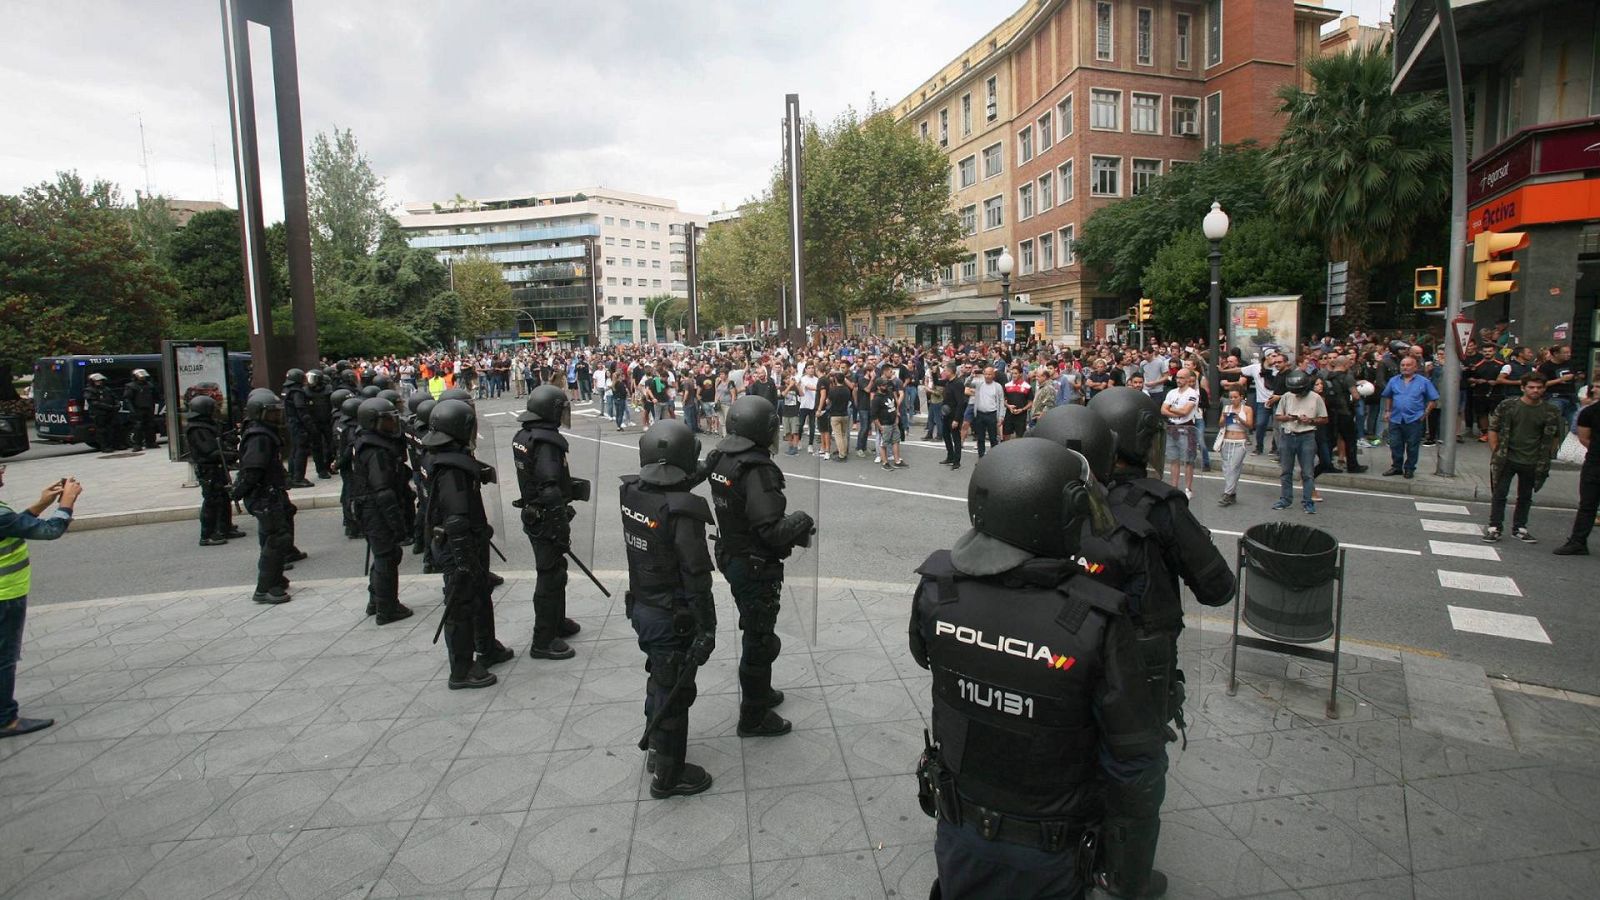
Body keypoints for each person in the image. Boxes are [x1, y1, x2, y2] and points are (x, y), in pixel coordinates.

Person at [908, 439, 1166, 900]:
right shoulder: (1092, 620)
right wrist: (1130, 871)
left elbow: (927, 655)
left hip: (959, 828)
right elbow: (1134, 759)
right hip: (1051, 851)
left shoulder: (938, 590)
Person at [1082, 386, 1236, 897]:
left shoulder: (1069, 491)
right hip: (1140, 658)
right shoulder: (1161, 505)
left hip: (1075, 643)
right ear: (1144, 439)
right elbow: (1217, 587)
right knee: (1136, 765)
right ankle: (1124, 876)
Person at [705, 395, 814, 737]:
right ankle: (753, 716)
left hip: (733, 554)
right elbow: (770, 530)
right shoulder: (757, 469)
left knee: (757, 632)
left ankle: (761, 692)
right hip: (754, 565)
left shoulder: (722, 456)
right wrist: (801, 520)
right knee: (759, 640)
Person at [622, 420, 719, 797]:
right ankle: (669, 774)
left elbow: (662, 490)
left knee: (659, 678)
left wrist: (703, 471)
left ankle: (658, 745)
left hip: (644, 607)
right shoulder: (685, 513)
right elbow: (696, 577)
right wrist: (707, 628)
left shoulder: (631, 493)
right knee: (676, 691)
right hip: (673, 616)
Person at [424, 399, 507, 689]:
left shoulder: (448, 457)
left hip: (472, 538)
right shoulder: (450, 469)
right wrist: (462, 559)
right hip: (460, 543)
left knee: (480, 593)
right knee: (460, 604)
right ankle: (461, 668)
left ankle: (487, 647)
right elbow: (456, 517)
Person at [0, 466, 81, 738]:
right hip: (5, 595)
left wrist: (40, 504)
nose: (2, 470)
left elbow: (11, 527)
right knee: (4, 658)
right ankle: (5, 719)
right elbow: (50, 531)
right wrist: (66, 503)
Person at [512, 386, 586, 660]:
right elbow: (550, 487)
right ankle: (543, 639)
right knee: (550, 575)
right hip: (545, 516)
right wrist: (560, 527)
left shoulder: (524, 434)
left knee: (556, 569)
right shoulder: (546, 442)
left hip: (534, 513)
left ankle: (557, 621)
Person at [349, 397, 416, 624]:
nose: (392, 425)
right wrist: (397, 525)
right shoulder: (376, 450)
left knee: (382, 555)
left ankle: (376, 600)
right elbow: (383, 490)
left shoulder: (369, 441)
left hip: (370, 507)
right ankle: (387, 607)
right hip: (375, 509)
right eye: (387, 421)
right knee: (387, 555)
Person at [231, 389, 300, 605]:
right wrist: (239, 491)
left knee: (273, 536)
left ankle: (275, 577)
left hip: (269, 491)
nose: (276, 417)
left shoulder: (264, 432)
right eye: (271, 413)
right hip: (264, 494)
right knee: (276, 538)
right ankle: (264, 588)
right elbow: (253, 469)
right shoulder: (259, 436)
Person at [1483, 373, 1564, 544]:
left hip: (1534, 460)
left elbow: (1556, 435)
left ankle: (1520, 527)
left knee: (1525, 495)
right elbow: (1493, 427)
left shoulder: (1551, 411)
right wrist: (1496, 450)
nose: (1535, 390)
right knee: (1500, 493)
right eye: (1531, 387)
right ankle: (1494, 526)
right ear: (1523, 388)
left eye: (1539, 387)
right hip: (1507, 457)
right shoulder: (1508, 406)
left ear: (1544, 389)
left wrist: (1549, 454)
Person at [184, 395, 245, 546]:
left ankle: (224, 528)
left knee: (224, 498)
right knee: (212, 501)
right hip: (208, 468)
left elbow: (218, 443)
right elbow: (209, 451)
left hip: (217, 467)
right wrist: (232, 455)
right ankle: (207, 534)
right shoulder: (196, 429)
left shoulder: (207, 425)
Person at [1274, 370, 1327, 514]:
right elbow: (1278, 416)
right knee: (1286, 471)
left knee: (1308, 472)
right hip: (1288, 435)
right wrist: (1289, 418)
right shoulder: (1286, 396)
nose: (1296, 394)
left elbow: (1324, 418)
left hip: (1307, 435)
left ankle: (1308, 502)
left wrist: (1309, 420)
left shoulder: (1316, 398)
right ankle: (1285, 499)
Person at [1554, 391, 1599, 556]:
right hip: (1595, 463)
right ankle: (1578, 542)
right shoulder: (1589, 412)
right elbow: (1584, 438)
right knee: (1587, 504)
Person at [1380, 355, 1438, 479]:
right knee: (1395, 444)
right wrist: (1387, 411)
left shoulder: (1424, 382)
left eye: (1408, 365)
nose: (1405, 368)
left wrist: (1425, 413)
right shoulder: (1394, 380)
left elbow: (1433, 399)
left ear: (1415, 367)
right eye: (1402, 365)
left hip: (1414, 419)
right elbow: (1388, 396)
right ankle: (1396, 467)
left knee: (1412, 446)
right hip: (1396, 418)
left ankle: (1410, 468)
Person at [1160, 369, 1201, 498]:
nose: (1179, 380)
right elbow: (1162, 410)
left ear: (1189, 379)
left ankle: (1188, 488)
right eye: (1177, 377)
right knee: (1174, 459)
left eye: (1182, 378)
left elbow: (1185, 411)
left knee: (1188, 460)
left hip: (1187, 427)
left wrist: (1171, 409)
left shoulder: (1192, 393)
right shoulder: (1171, 392)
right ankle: (1174, 486)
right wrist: (1174, 411)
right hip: (1172, 427)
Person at [1215, 388, 1253, 506]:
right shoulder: (1226, 408)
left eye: (1235, 397)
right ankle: (1232, 493)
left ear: (1241, 397)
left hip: (1239, 441)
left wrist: (1239, 419)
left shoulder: (1247, 409)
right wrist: (1225, 418)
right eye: (1231, 397)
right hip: (1227, 440)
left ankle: (1227, 493)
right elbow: (1220, 424)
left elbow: (1250, 425)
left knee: (1234, 466)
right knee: (1227, 467)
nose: (1233, 399)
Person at [306, 369, 335, 479]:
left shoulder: (328, 390)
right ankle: (321, 469)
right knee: (317, 447)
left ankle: (329, 465)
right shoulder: (306, 391)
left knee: (331, 445)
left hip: (327, 421)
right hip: (314, 423)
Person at [970, 366, 1004, 459]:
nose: (987, 376)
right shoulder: (979, 384)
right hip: (980, 414)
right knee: (980, 438)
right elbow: (967, 384)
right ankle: (981, 456)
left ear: (993, 375)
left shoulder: (997, 386)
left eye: (990, 374)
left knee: (993, 438)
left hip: (992, 414)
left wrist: (1001, 416)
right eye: (986, 374)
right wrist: (971, 375)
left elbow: (1001, 401)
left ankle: (994, 458)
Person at [124, 368, 160, 451]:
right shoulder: (131, 386)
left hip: (149, 408)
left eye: (143, 376)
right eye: (140, 376)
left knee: (150, 426)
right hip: (138, 409)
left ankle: (151, 442)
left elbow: (156, 395)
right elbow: (128, 399)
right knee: (138, 427)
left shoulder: (149, 385)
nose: (142, 377)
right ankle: (137, 445)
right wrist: (132, 410)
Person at [85, 372, 122, 452]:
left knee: (113, 429)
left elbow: (114, 397)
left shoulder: (106, 389)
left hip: (110, 413)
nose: (99, 382)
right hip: (99, 414)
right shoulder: (89, 390)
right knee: (102, 431)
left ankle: (116, 445)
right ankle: (104, 447)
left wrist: (117, 404)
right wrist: (109, 407)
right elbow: (94, 403)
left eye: (100, 380)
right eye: (97, 381)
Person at [875, 375, 906, 470]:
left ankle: (897, 461)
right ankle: (885, 463)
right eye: (883, 385)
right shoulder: (876, 399)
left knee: (896, 441)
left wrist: (896, 416)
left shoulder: (889, 393)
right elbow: (874, 415)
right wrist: (880, 427)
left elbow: (895, 404)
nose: (886, 387)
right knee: (883, 444)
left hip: (893, 422)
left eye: (886, 384)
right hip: (884, 424)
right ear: (878, 387)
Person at [1002, 367, 1033, 441]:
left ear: (1021, 374)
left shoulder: (1027, 386)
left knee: (1020, 437)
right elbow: (1002, 399)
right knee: (1005, 435)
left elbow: (1031, 402)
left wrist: (1022, 409)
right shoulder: (1007, 385)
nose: (1013, 375)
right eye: (1012, 373)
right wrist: (1008, 406)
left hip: (1021, 416)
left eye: (1015, 373)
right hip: (1009, 414)